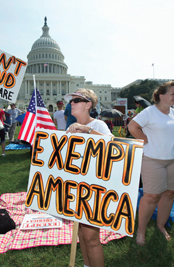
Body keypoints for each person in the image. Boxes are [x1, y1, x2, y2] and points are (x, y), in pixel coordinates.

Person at [128, 81, 174, 246]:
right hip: (153, 160)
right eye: (173, 93)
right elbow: (132, 127)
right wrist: (146, 140)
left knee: (170, 193)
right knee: (151, 196)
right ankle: (141, 230)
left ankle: (160, 225)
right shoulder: (149, 112)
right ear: (161, 95)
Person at [65, 89, 113, 267]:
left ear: (88, 105)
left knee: (91, 237)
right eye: (71, 101)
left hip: (94, 188)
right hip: (76, 187)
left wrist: (87, 130)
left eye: (76, 100)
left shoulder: (98, 125)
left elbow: (115, 146)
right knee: (81, 234)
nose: (72, 103)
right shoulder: (69, 129)